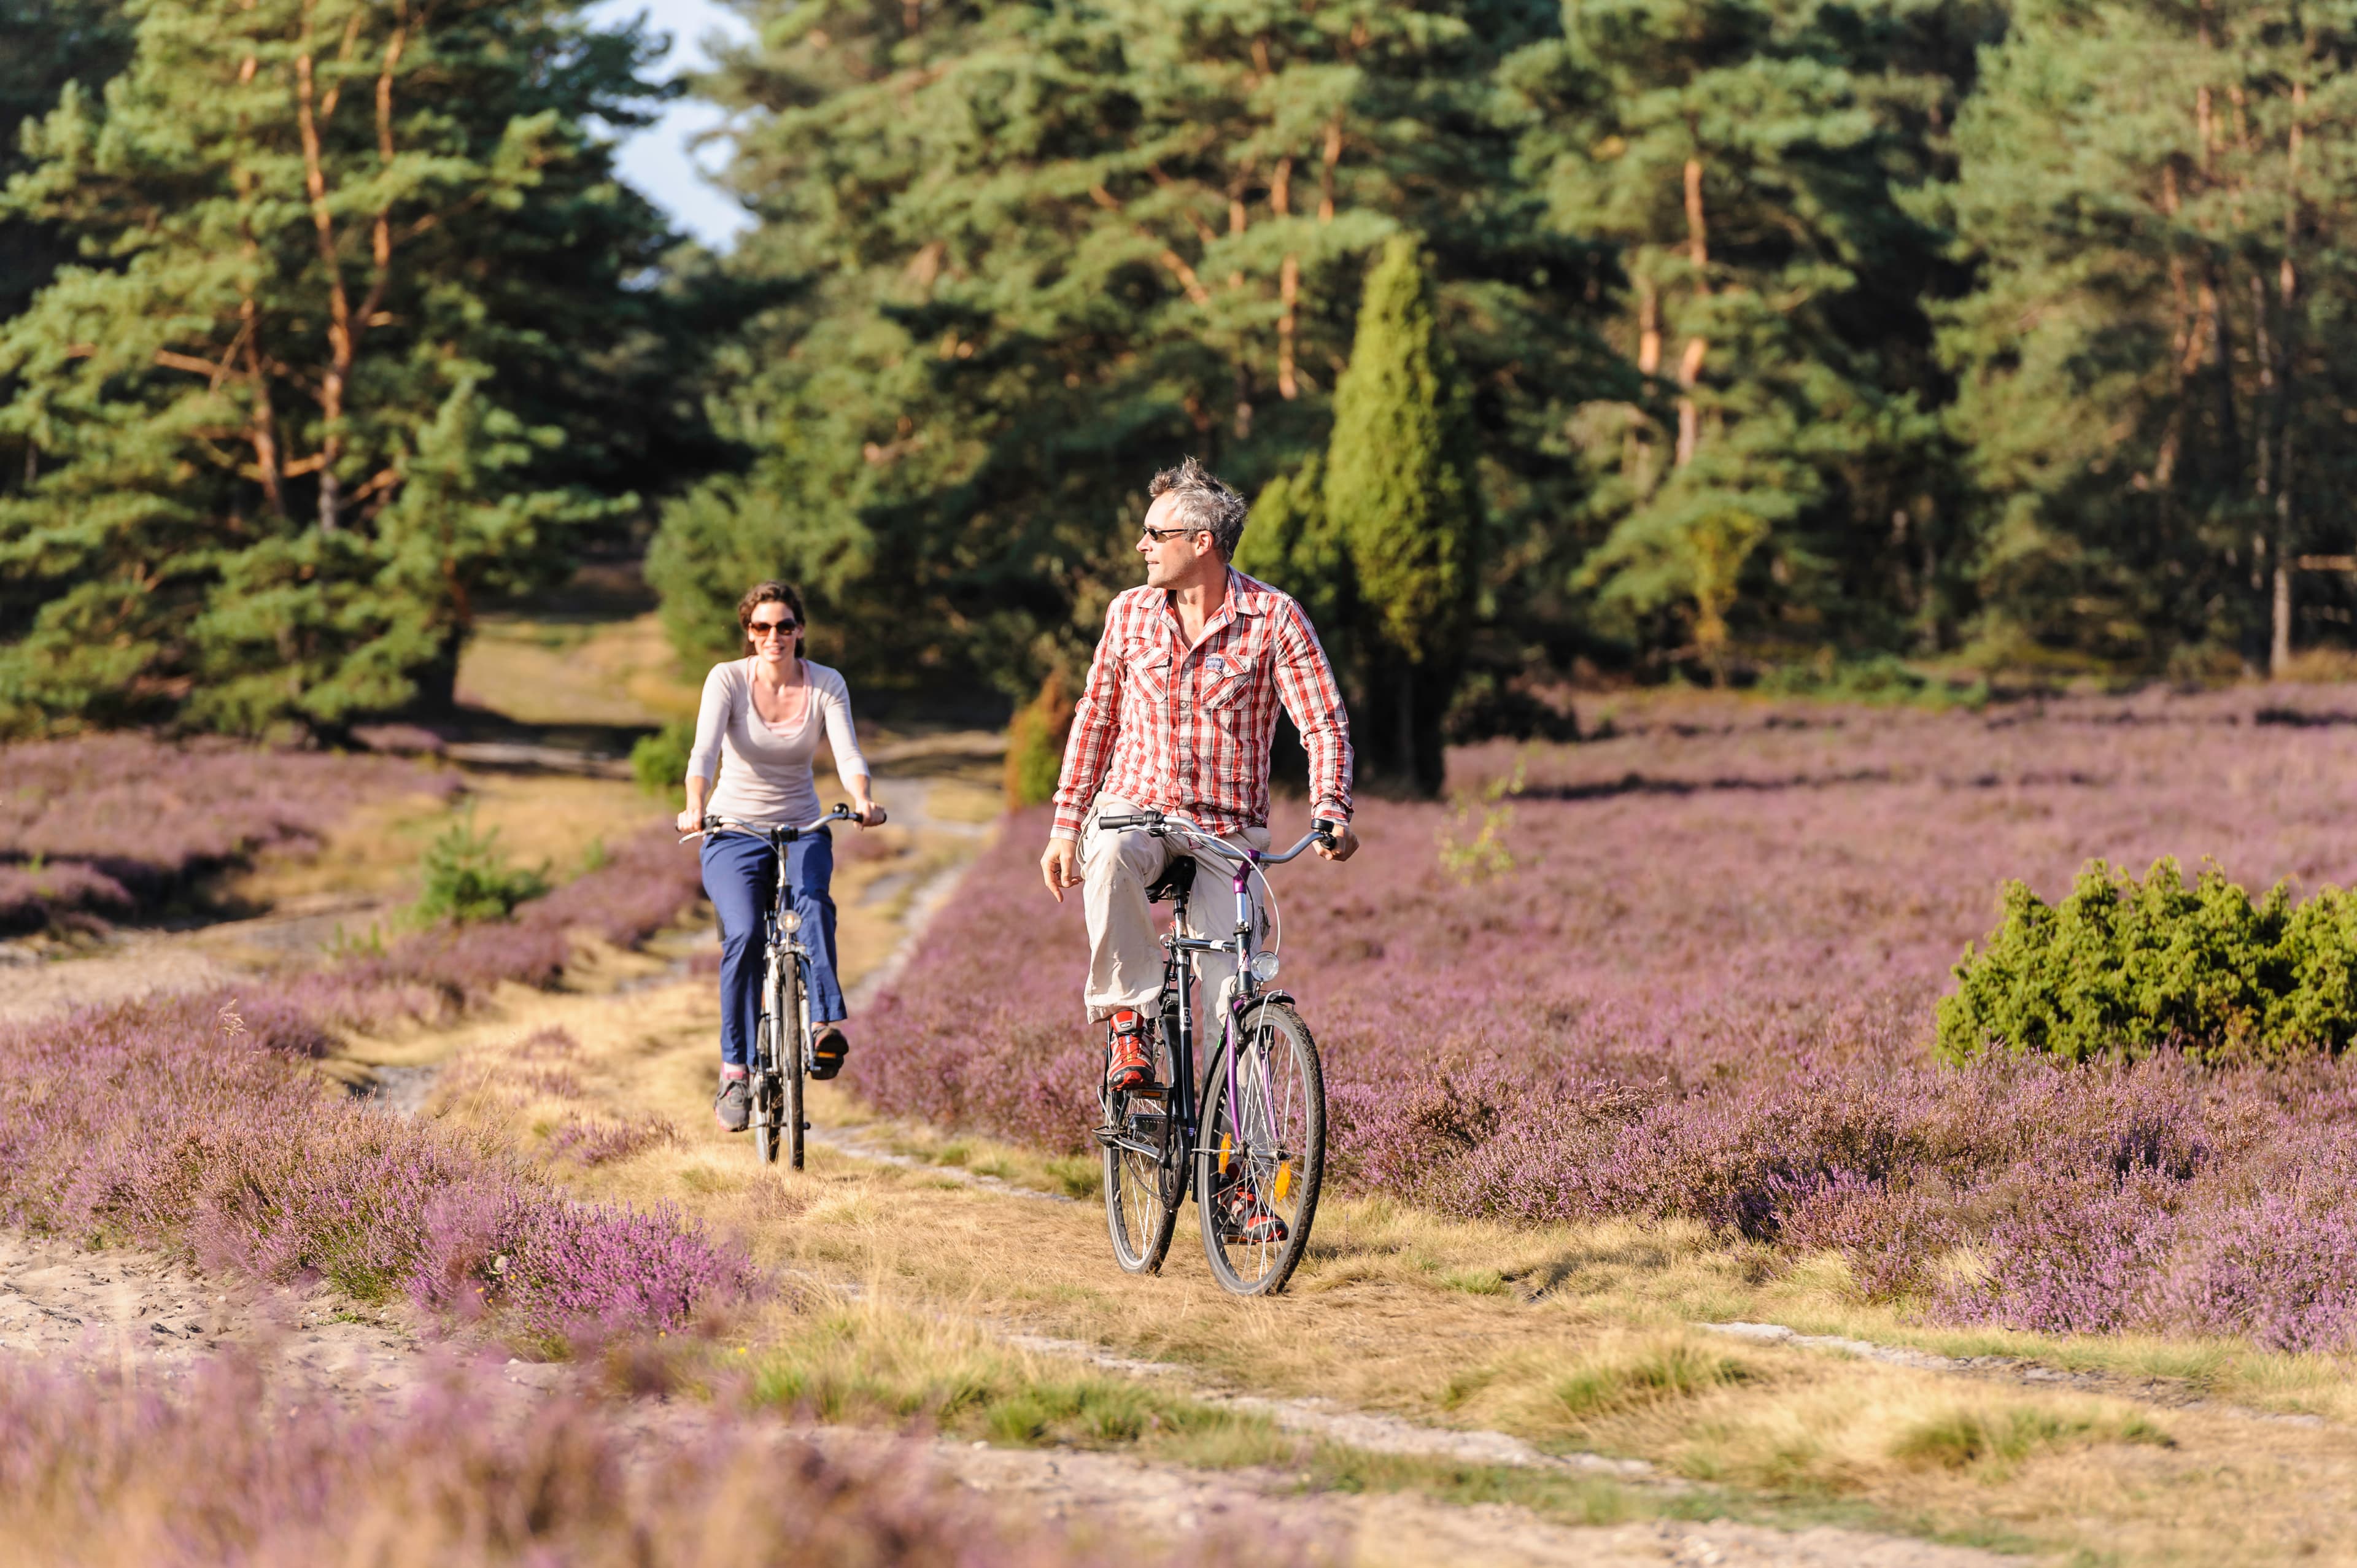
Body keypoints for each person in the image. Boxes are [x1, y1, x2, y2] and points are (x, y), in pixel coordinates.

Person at [1039, 456, 1358, 1104]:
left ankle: (1240, 1167)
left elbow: (1322, 722)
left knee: (1232, 1007)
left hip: (1226, 830)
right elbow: (1096, 718)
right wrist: (1066, 825)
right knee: (1109, 855)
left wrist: (1332, 806)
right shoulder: (1128, 613)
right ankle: (1130, 1021)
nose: (1142, 546)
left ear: (1201, 542)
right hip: (1138, 809)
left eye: (1156, 534)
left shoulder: (1274, 617)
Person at [679, 581, 884, 1132]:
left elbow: (847, 751)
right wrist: (694, 806)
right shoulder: (727, 679)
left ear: (800, 630)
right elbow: (702, 750)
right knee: (744, 934)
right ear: (749, 633)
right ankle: (735, 1072)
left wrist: (862, 799)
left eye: (786, 626)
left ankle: (822, 1027)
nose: (775, 636)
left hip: (802, 826)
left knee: (813, 904)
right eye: (763, 627)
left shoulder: (826, 684)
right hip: (733, 830)